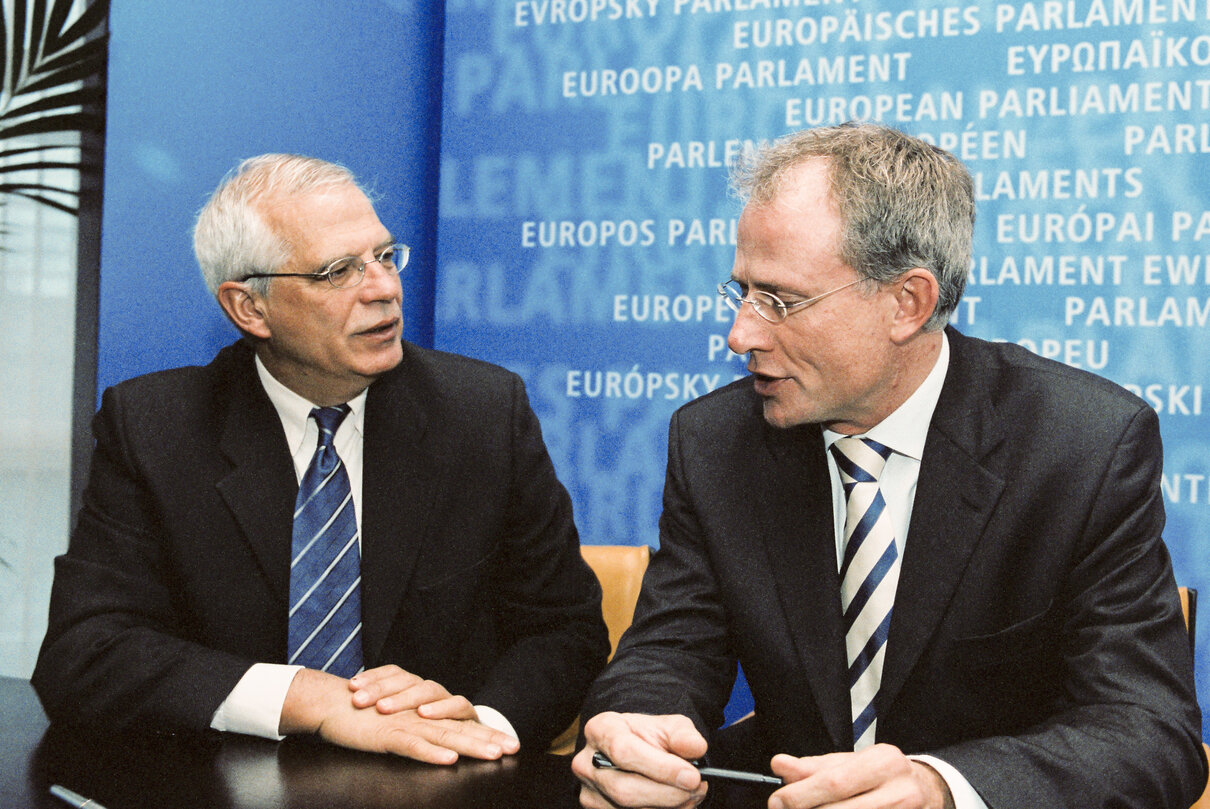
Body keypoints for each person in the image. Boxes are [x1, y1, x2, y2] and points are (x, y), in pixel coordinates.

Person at [572, 123, 1206, 808]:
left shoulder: (1081, 446)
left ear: (908, 302)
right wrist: (637, 723)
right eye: (743, 292)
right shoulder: (716, 440)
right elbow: (670, 650)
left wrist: (941, 787)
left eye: (780, 300)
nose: (741, 334)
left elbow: (1148, 732)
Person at [33, 154, 609, 764]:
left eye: (385, 257)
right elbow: (85, 651)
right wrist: (309, 699)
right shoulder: (156, 428)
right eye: (338, 272)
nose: (384, 288)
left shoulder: (482, 413)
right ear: (249, 308)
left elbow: (564, 631)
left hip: (435, 785)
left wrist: (471, 727)